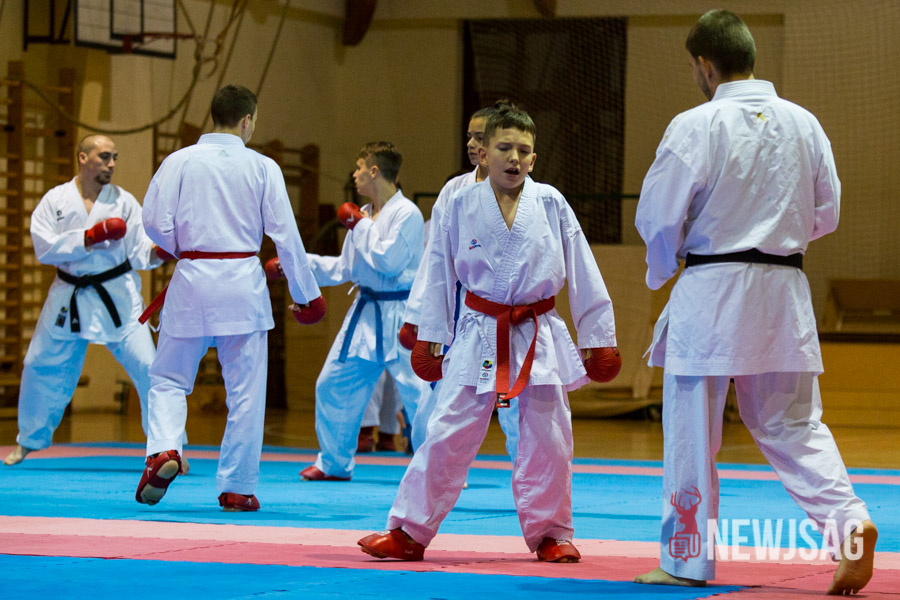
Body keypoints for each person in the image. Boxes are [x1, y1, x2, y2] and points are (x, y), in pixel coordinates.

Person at [632, 11, 876, 595]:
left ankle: (685, 560)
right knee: (793, 424)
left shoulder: (696, 124)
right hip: (784, 289)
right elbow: (827, 212)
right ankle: (848, 522)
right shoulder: (804, 122)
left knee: (693, 434)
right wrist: (775, 239)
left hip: (713, 290)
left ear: (704, 65)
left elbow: (658, 217)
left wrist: (664, 267)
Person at [357, 103, 621, 563]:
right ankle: (408, 531)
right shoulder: (459, 201)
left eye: (524, 150)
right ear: (483, 153)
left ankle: (552, 534)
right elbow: (438, 270)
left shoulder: (551, 202)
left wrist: (598, 337)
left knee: (550, 438)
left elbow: (582, 268)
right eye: (504, 148)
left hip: (537, 332)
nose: (514, 158)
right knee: (446, 431)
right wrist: (428, 331)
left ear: (534, 158)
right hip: (478, 328)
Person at [134, 84, 323, 512]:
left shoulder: (179, 161)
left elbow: (153, 222)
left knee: (168, 379)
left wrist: (183, 247)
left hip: (192, 279)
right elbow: (285, 235)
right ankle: (237, 486)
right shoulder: (262, 166)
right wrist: (306, 295)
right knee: (245, 392)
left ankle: (164, 449)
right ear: (247, 120)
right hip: (242, 284)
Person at [3, 134, 174, 467]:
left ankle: (168, 448)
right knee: (38, 364)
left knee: (149, 367)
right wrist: (90, 237)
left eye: (114, 158)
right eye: (104, 157)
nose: (111, 164)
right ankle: (28, 441)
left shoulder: (124, 202)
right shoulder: (55, 200)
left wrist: (162, 251)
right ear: (83, 158)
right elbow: (43, 247)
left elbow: (141, 251)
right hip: (69, 296)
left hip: (118, 297)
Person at [298, 141, 429, 482]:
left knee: (420, 394)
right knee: (332, 384)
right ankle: (334, 462)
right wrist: (299, 265)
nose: (354, 175)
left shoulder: (407, 214)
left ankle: (439, 468)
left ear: (374, 171)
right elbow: (345, 268)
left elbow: (389, 262)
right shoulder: (365, 215)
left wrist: (360, 226)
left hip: (403, 314)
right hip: (366, 313)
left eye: (358, 168)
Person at [402, 101, 521, 459]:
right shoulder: (454, 190)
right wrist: (419, 318)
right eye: (469, 136)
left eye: (479, 137)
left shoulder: (529, 193)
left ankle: (530, 479)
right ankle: (435, 474)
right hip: (463, 311)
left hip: (514, 315)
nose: (470, 144)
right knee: (443, 400)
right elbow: (435, 259)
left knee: (517, 407)